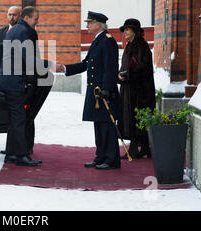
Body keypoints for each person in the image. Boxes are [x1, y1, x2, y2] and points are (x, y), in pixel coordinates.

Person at [56, 11, 122, 170]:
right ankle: (100, 157)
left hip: (104, 92)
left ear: (98, 24)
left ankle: (111, 159)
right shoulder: (97, 41)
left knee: (107, 126)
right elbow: (86, 64)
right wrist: (65, 68)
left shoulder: (108, 41)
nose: (87, 26)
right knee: (98, 125)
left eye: (90, 23)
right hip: (95, 92)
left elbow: (110, 68)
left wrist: (106, 89)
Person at [0, 6, 51, 166]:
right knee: (19, 119)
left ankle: (11, 154)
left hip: (9, 80)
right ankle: (21, 155)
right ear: (26, 18)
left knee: (15, 120)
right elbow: (29, 59)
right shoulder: (23, 32)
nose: (37, 21)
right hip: (15, 82)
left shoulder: (16, 30)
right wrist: (51, 65)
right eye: (35, 18)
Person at [117, 18, 155, 159]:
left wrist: (125, 75)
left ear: (135, 31)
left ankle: (135, 148)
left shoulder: (140, 46)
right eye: (125, 30)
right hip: (131, 89)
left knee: (136, 118)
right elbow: (127, 66)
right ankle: (144, 148)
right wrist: (120, 74)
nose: (125, 32)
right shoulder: (131, 45)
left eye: (127, 29)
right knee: (133, 118)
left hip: (140, 91)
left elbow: (141, 67)